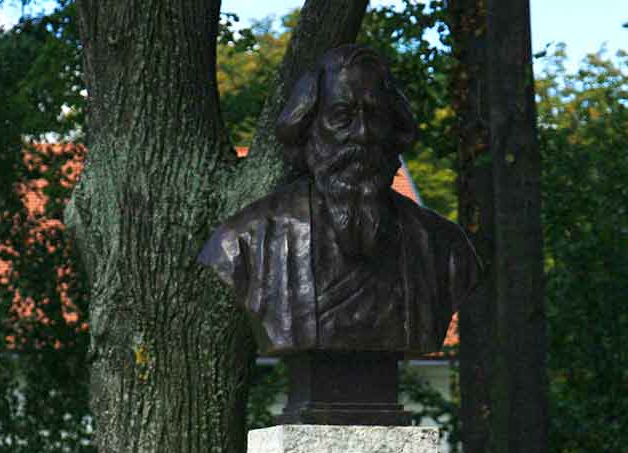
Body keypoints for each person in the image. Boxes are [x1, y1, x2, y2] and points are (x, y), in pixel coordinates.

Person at [198, 44, 480, 357]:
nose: (362, 133)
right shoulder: (243, 244)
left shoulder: (444, 248)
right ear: (308, 127)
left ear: (394, 127)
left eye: (375, 116)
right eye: (341, 117)